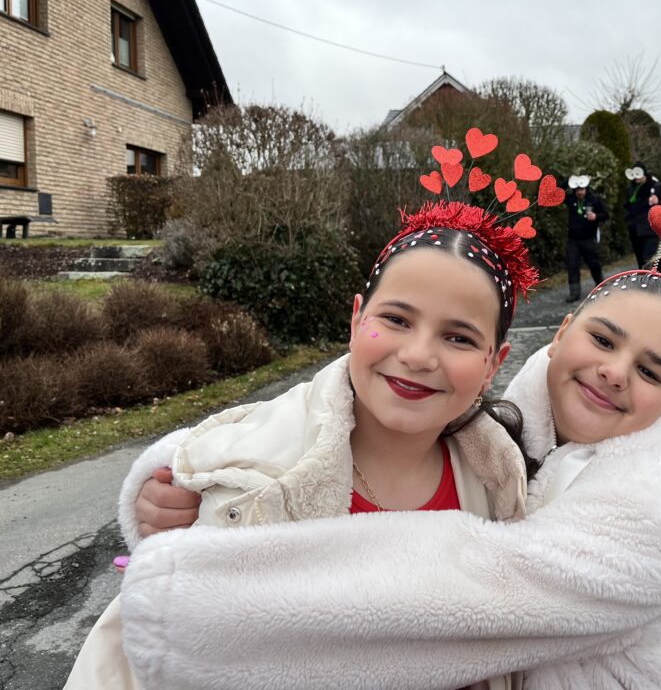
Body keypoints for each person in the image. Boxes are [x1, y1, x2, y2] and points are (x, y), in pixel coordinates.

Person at [116, 228, 661, 689]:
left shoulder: (650, 504)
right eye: (603, 339)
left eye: (650, 370)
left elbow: (468, 591)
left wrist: (185, 603)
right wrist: (167, 477)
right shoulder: (520, 446)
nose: (613, 371)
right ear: (559, 337)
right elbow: (250, 438)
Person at [64, 195, 546, 690]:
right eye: (397, 320)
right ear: (358, 320)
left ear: (494, 362)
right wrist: (159, 492)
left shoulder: (500, 488)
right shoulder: (244, 484)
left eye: (459, 338)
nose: (419, 355)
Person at [563, 174, 607, 302]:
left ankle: (601, 285)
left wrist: (596, 216)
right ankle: (574, 292)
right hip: (573, 240)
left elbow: (605, 215)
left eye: (581, 190)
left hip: (589, 238)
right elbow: (557, 192)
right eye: (577, 190)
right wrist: (569, 181)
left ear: (586, 189)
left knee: (594, 263)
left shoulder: (594, 200)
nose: (579, 192)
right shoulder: (571, 199)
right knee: (572, 265)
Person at [623, 161, 661, 267]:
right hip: (635, 231)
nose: (636, 178)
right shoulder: (630, 189)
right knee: (640, 260)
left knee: (649, 258)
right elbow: (626, 206)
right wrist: (629, 221)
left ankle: (650, 280)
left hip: (651, 230)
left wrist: (658, 202)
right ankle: (643, 281)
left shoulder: (656, 187)